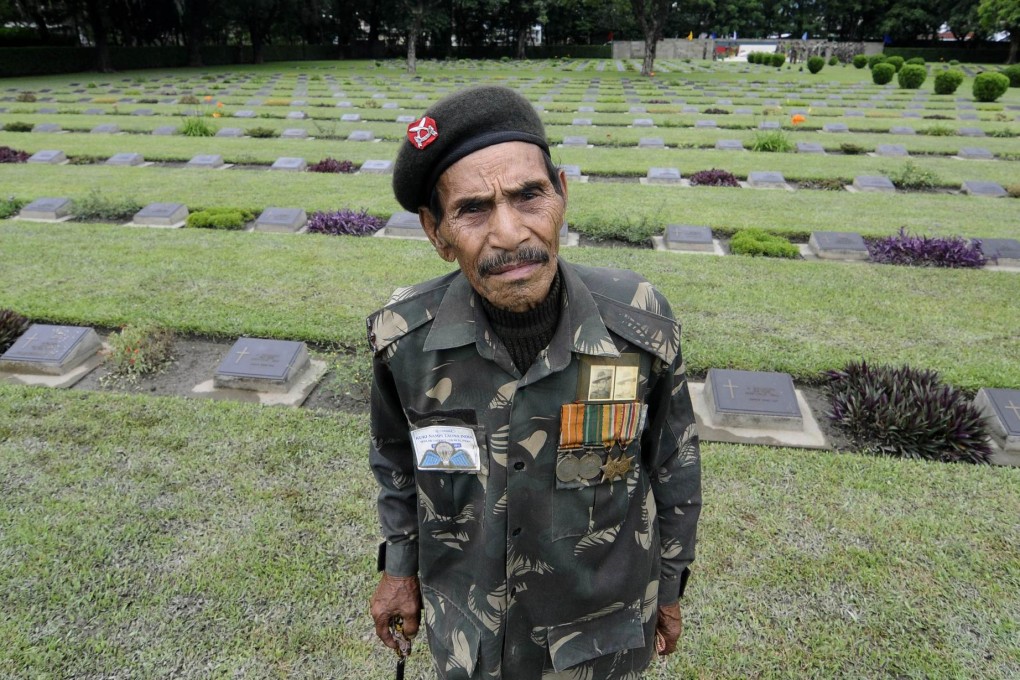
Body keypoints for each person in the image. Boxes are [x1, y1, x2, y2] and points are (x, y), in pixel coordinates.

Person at [367, 85, 702, 679]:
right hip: (471, 638)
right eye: (473, 209)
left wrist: (670, 586)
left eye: (530, 196)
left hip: (597, 640)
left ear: (562, 194)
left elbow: (673, 462)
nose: (509, 233)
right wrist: (399, 569)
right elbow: (397, 457)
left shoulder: (640, 325)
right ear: (436, 231)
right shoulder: (404, 341)